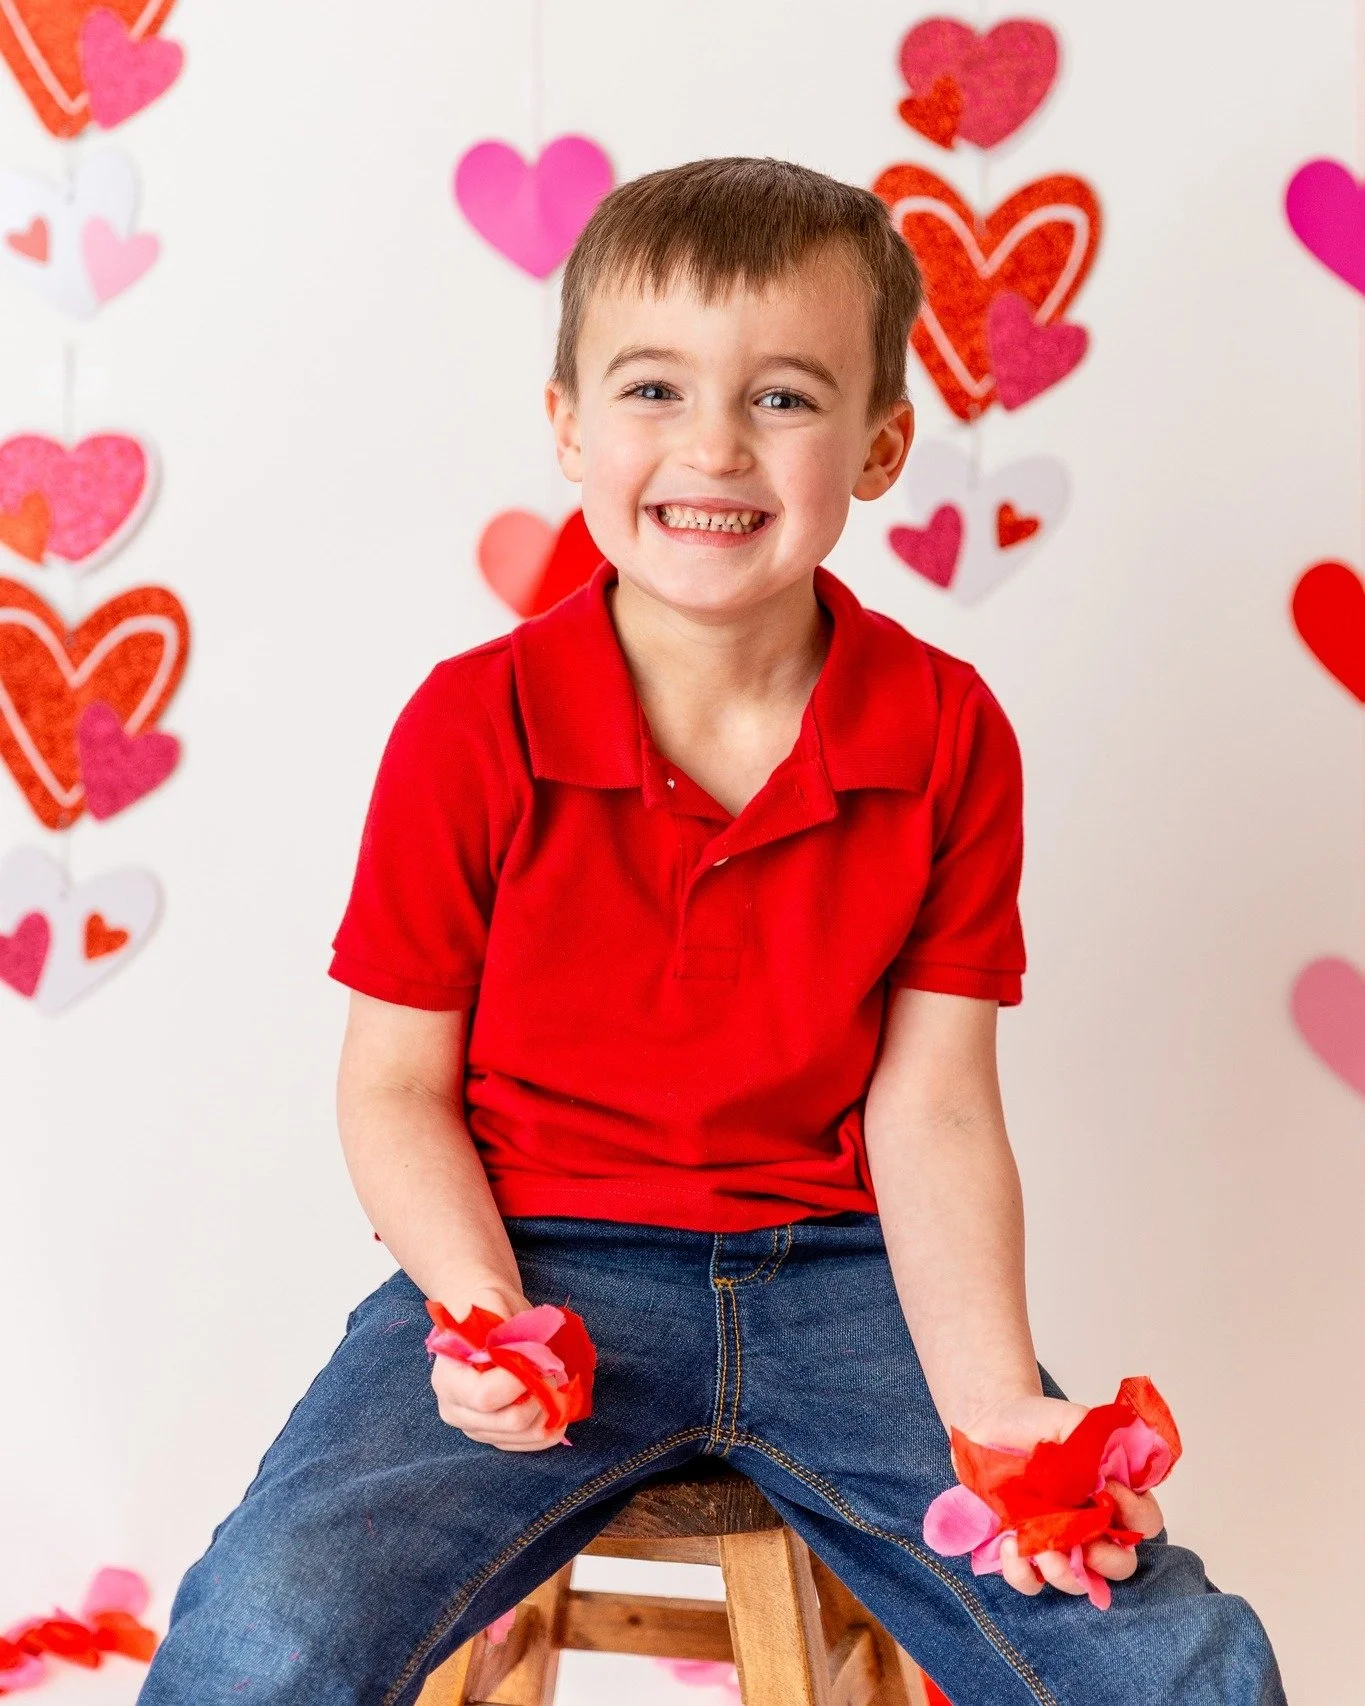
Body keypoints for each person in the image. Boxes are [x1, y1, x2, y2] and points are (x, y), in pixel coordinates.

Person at [138, 157, 1285, 1705]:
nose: (715, 445)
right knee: (268, 1628)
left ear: (881, 443)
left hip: (850, 1282)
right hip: (538, 1259)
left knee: (1176, 1656)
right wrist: (483, 1312)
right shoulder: (470, 728)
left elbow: (937, 1105)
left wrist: (997, 1404)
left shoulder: (948, 733)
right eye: (655, 388)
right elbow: (394, 1085)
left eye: (785, 397)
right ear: (569, 426)